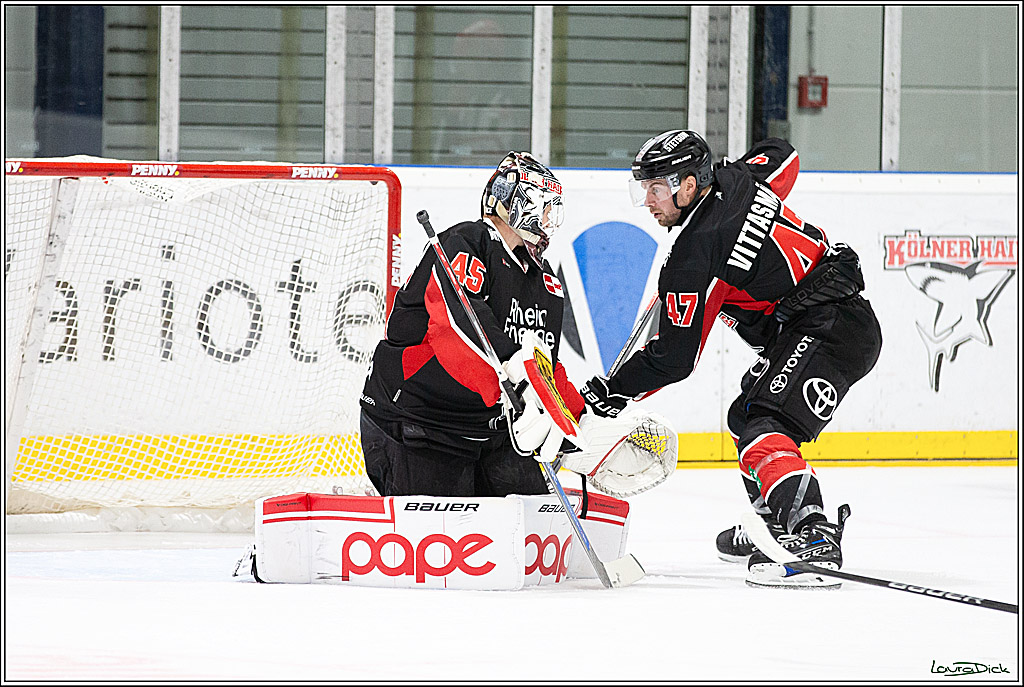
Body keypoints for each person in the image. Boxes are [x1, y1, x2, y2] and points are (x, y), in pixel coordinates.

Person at [578, 130, 882, 588]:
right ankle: (773, 521)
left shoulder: (694, 259)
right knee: (745, 415)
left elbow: (674, 359)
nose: (647, 200)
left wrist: (611, 391)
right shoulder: (739, 178)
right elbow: (784, 154)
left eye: (656, 188)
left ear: (686, 185)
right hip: (835, 317)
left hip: (829, 328)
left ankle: (812, 532)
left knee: (766, 425)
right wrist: (736, 175)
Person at [359, 151, 585, 497]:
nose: (549, 221)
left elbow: (544, 366)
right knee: (439, 541)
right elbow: (456, 324)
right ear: (514, 203)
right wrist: (513, 376)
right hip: (417, 421)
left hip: (487, 427)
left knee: (526, 513)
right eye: (545, 208)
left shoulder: (547, 284)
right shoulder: (466, 242)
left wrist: (581, 418)